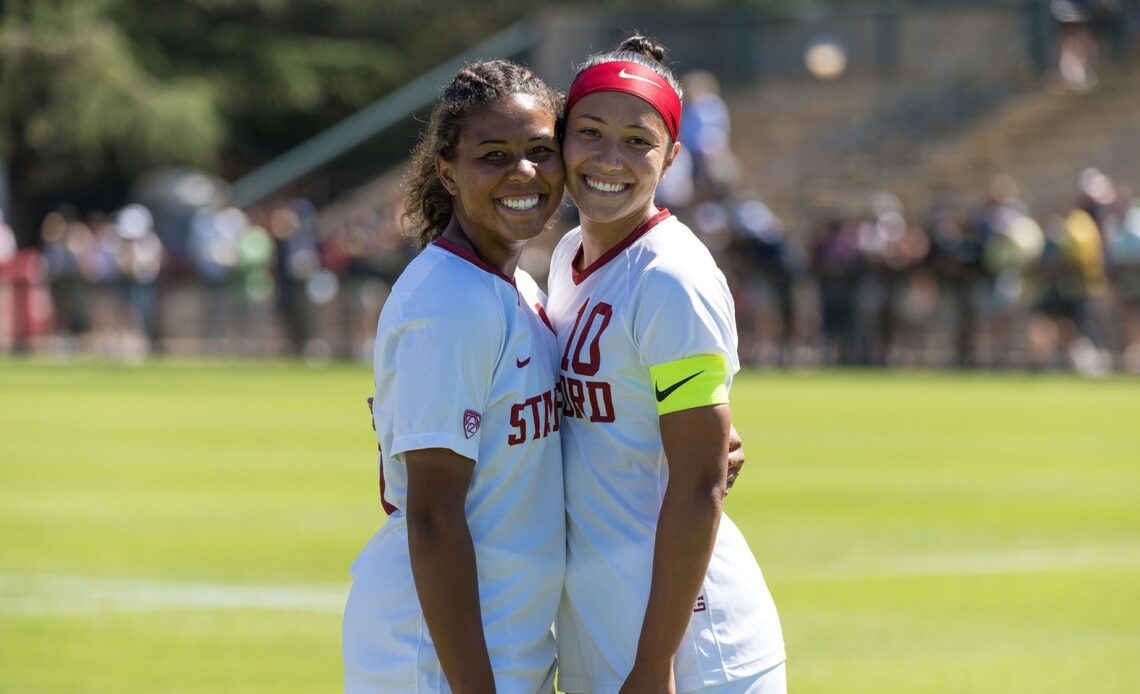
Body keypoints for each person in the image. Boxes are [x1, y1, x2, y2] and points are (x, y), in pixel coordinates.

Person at [547, 36, 786, 694]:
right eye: (590, 133)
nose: (608, 159)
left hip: (691, 648)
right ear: (561, 140)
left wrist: (656, 664)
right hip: (604, 626)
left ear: (672, 156)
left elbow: (700, 482)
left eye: (637, 141)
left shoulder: (670, 276)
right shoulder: (568, 256)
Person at [342, 59, 567, 693]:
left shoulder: (514, 285)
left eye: (540, 151)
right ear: (447, 169)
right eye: (492, 154)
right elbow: (433, 513)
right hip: (435, 656)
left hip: (501, 641)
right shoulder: (448, 302)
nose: (523, 171)